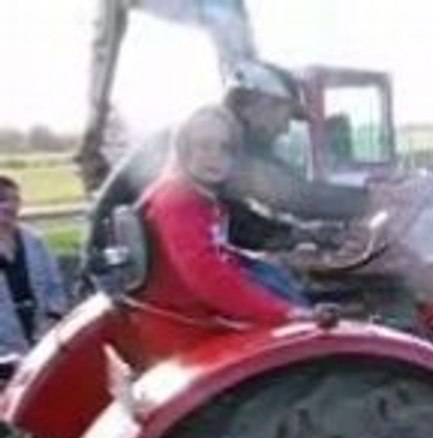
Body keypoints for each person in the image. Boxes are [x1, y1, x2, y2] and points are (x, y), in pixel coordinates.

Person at [83, 60, 370, 280]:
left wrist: (306, 234)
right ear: (254, 104)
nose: (284, 129)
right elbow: (295, 196)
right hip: (132, 276)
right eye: (284, 115)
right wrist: (372, 199)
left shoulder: (213, 136)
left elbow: (236, 221)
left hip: (133, 269)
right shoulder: (220, 141)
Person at [139, 105, 314, 325]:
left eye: (225, 148)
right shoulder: (177, 200)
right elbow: (208, 276)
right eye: (204, 146)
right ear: (183, 149)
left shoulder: (201, 197)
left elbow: (220, 255)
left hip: (196, 312)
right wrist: (284, 313)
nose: (216, 156)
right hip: (189, 322)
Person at [0, 176, 69, 355]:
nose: (9, 206)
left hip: (42, 341)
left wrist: (53, 319)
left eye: (15, 200)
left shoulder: (36, 242)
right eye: (2, 200)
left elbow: (55, 287)